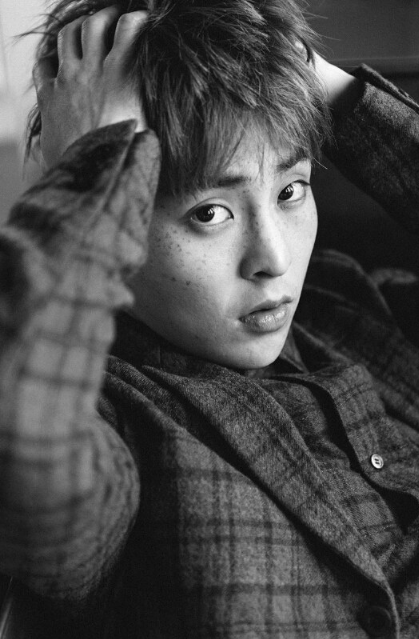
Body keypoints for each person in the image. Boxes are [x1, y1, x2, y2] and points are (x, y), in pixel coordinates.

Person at [0, 0, 419, 636]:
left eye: (290, 191)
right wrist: (95, 161)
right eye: (209, 213)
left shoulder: (350, 306)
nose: (274, 259)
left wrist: (325, 84)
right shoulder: (109, 426)